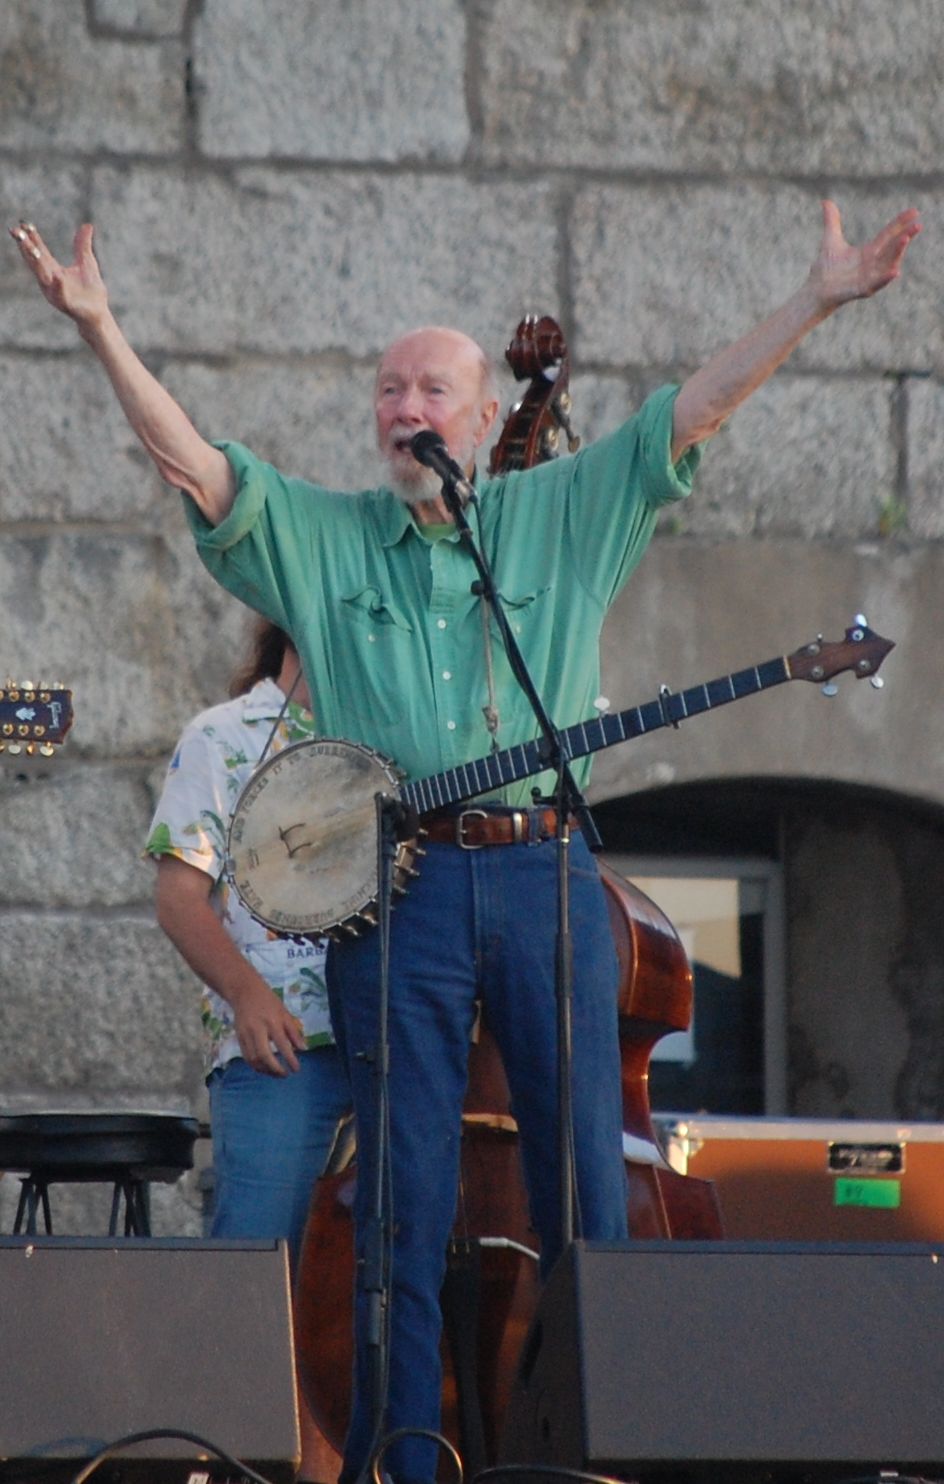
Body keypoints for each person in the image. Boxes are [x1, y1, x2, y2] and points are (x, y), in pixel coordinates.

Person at [12, 200, 921, 1484]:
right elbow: (198, 469)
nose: (403, 404)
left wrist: (814, 302)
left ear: (484, 417)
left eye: (429, 385)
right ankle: (405, 1462)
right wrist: (103, 331)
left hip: (545, 876)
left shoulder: (557, 510)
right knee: (400, 1207)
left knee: (583, 1207)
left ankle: (590, 1455)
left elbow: (691, 412)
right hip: (406, 890)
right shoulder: (326, 539)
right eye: (386, 387)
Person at [144, 615, 352, 1484]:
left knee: (381, 1283)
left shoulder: (400, 730)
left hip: (396, 1041)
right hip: (279, 1052)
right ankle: (237, 1467)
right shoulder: (220, 735)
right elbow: (180, 896)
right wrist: (247, 994)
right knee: (255, 1277)